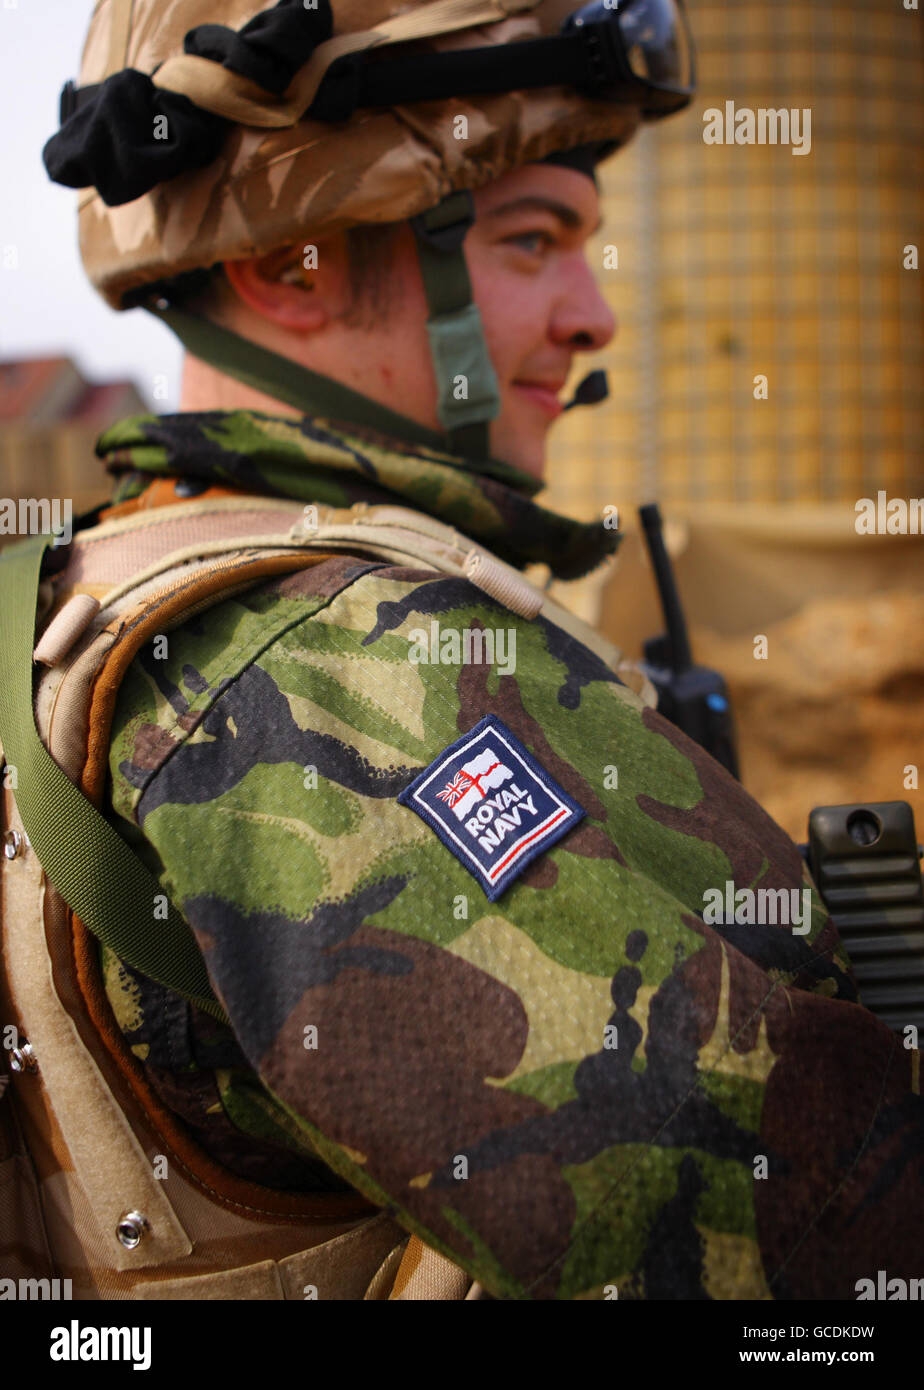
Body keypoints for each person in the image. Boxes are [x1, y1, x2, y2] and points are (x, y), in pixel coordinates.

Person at [1, 0, 921, 1302]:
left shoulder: (88, 578)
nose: (595, 315)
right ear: (298, 267)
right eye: (534, 242)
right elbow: (807, 1246)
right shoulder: (355, 656)